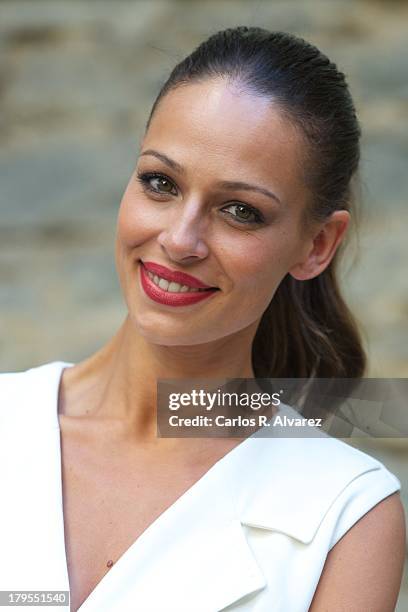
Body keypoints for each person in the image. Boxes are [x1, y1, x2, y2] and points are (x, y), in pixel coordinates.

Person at [0, 26, 405, 612]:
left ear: (316, 245)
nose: (180, 239)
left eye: (240, 211)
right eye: (160, 183)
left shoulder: (343, 515)